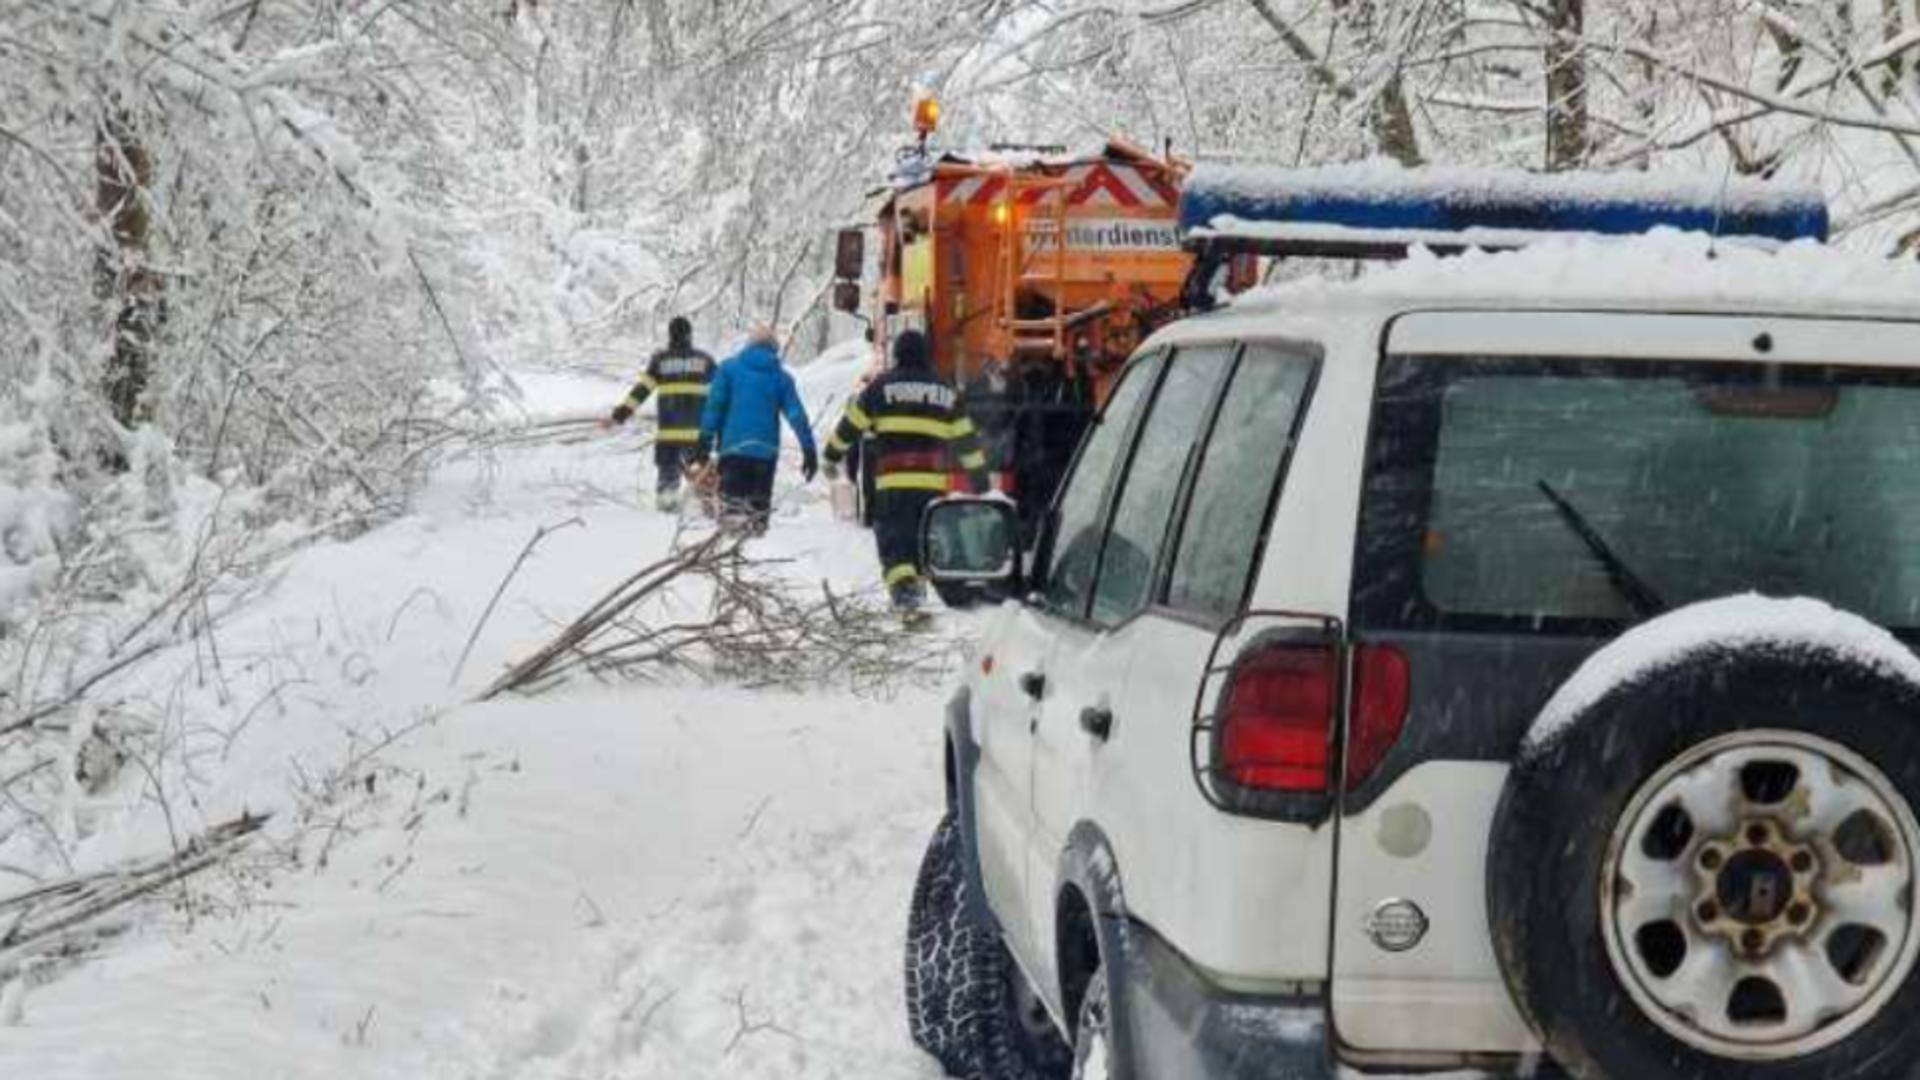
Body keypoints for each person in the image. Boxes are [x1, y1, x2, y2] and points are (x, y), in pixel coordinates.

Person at [824, 329, 990, 609]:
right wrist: (980, 480)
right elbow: (966, 441)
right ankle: (916, 596)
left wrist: (831, 456)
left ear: (898, 354)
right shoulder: (946, 392)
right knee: (920, 544)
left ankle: (905, 598)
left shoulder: (880, 387)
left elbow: (850, 425)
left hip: (893, 487)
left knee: (894, 545)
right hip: (931, 490)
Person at [692, 325, 818, 534]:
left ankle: (730, 557)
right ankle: (757, 544)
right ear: (774, 349)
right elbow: (797, 416)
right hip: (764, 457)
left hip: (733, 451)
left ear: (748, 345)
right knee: (757, 519)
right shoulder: (781, 378)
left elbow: (714, 408)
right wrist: (809, 450)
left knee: (731, 516)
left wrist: (704, 442)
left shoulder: (728, 370)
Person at [601, 316, 714, 511]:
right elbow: (724, 390)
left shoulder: (661, 361)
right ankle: (710, 511)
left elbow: (641, 392)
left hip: (669, 436)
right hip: (696, 436)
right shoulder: (704, 361)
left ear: (670, 335)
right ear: (690, 335)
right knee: (703, 481)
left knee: (667, 487)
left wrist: (618, 416)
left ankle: (665, 517)